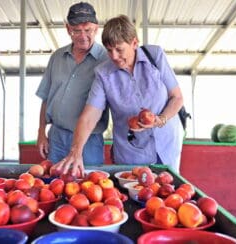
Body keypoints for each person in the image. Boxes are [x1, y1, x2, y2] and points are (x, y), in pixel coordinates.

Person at [54, 15, 184, 175]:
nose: (114, 56)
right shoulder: (103, 73)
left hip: (166, 146)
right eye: (109, 50)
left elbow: (177, 97)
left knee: (166, 192)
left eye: (119, 49)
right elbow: (89, 117)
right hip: (131, 153)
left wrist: (160, 119)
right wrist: (76, 151)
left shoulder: (155, 56)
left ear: (134, 43)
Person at [35, 2, 109, 165]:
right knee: (53, 186)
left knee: (89, 186)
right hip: (57, 138)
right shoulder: (57, 57)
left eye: (88, 30)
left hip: (89, 141)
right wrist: (41, 131)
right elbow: (46, 96)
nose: (83, 36)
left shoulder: (107, 60)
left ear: (96, 28)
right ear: (68, 29)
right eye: (77, 31)